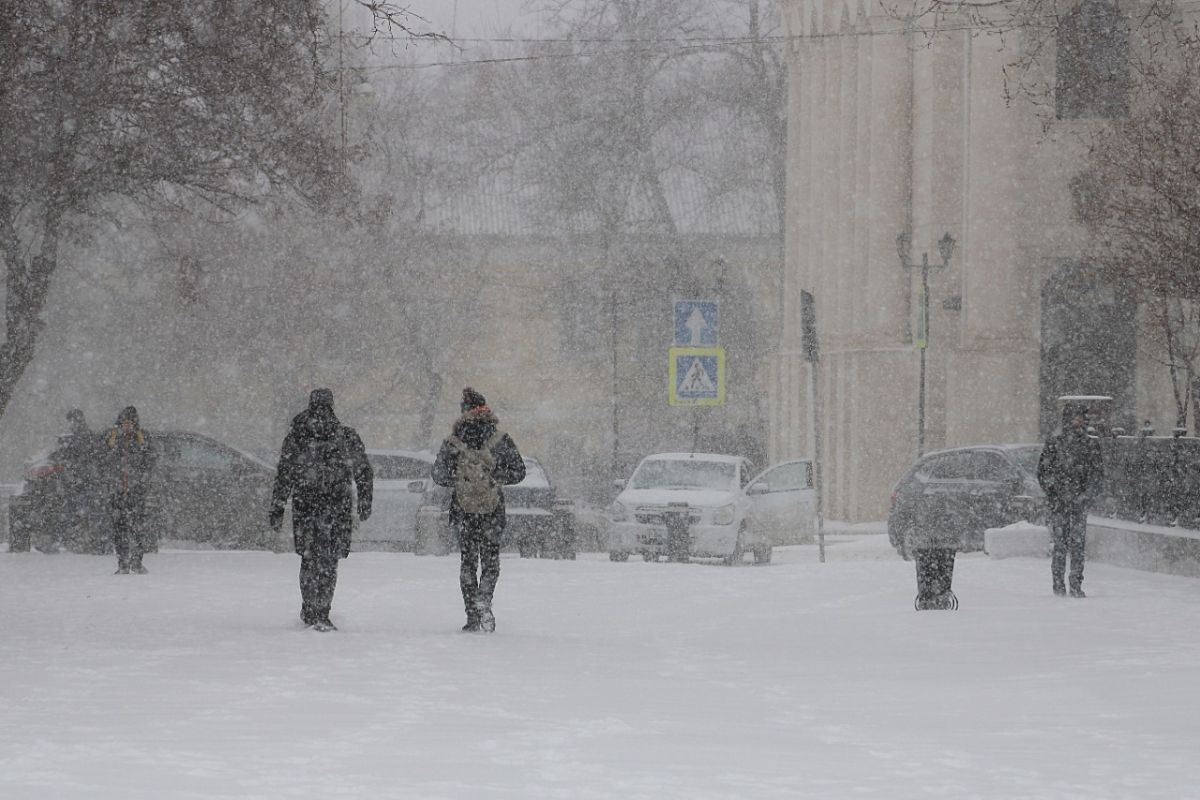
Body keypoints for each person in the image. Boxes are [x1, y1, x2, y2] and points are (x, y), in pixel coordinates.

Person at [269, 389, 372, 632]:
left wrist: (278, 506)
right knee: (328, 561)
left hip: (305, 505)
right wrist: (365, 500)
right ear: (332, 406)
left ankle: (309, 608)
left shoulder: (296, 437)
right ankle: (323, 611)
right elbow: (363, 471)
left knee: (308, 558)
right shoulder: (346, 436)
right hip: (337, 506)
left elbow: (285, 474)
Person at [432, 388, 525, 633]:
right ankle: (485, 598)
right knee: (491, 561)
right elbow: (519, 472)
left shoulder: (453, 441)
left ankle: (472, 616)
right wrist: (495, 477)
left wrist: (461, 480)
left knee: (468, 563)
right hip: (492, 511)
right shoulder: (500, 439)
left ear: (463, 412)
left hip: (463, 511)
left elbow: (438, 475)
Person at [1037, 404, 1105, 597]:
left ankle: (1076, 584)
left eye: (1081, 418)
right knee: (1060, 544)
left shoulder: (1090, 445)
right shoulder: (1054, 443)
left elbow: (1097, 475)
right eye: (1075, 418)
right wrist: (1055, 493)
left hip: (1078, 504)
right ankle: (1058, 584)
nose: (1078, 421)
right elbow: (1043, 473)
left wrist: (1085, 497)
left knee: (1077, 546)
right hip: (1060, 504)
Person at [103, 406, 156, 574]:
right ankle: (123, 563)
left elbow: (150, 460)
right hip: (117, 492)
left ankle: (137, 562)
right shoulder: (112, 439)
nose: (127, 426)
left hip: (136, 491)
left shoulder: (142, 438)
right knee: (119, 529)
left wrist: (142, 479)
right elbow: (102, 460)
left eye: (130, 423)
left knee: (138, 527)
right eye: (124, 423)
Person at [906, 492, 961, 610]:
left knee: (926, 570)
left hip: (926, 546)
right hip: (941, 546)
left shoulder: (919, 498)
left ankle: (927, 598)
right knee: (942, 566)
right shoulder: (949, 506)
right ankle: (939, 597)